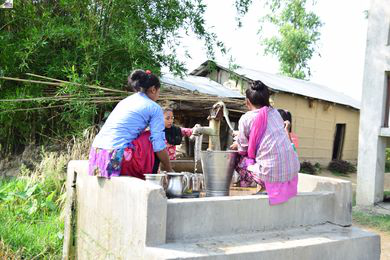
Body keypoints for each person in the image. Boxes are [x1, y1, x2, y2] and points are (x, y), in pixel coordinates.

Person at [88, 69, 173, 179]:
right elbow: (158, 145)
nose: (158, 95)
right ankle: (151, 179)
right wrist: (168, 167)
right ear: (153, 89)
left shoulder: (125, 101)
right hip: (117, 158)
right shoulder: (154, 107)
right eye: (158, 92)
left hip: (97, 156)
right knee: (151, 137)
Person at [230, 80, 300, 205]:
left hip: (272, 175)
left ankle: (261, 187)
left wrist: (237, 143)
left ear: (247, 102)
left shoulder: (246, 118)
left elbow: (243, 149)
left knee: (237, 159)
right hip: (292, 172)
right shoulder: (276, 113)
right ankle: (263, 187)